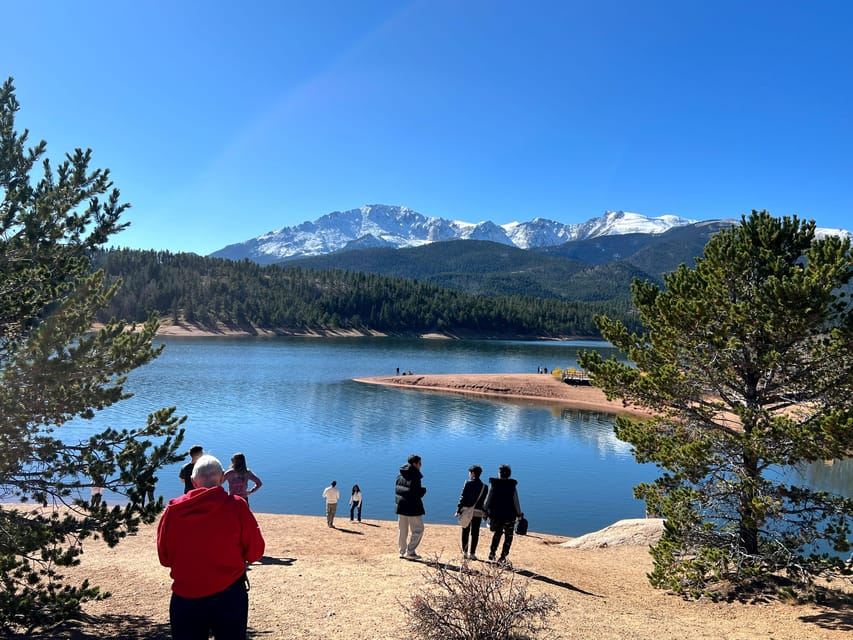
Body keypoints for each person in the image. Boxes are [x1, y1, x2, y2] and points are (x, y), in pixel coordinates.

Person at [157, 454, 265, 640]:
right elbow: (255, 553)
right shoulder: (238, 507)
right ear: (222, 478)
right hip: (229, 597)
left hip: (186, 597)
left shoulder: (173, 511)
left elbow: (164, 558)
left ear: (193, 481)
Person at [484, 464, 522, 565]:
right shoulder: (512, 485)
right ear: (509, 474)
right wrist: (519, 514)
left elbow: (488, 499)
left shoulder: (494, 484)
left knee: (497, 533)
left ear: (499, 473)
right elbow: (516, 501)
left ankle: (492, 553)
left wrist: (485, 511)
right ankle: (503, 557)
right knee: (508, 536)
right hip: (510, 515)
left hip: (496, 515)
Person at [396, 454, 426, 559]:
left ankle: (402, 552)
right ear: (414, 464)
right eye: (420, 463)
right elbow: (415, 493)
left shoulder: (400, 474)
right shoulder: (415, 476)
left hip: (401, 506)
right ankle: (411, 552)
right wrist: (423, 491)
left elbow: (398, 490)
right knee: (419, 529)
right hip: (412, 507)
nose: (421, 465)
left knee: (402, 530)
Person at [455, 464, 487, 560]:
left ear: (473, 473)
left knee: (465, 531)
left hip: (466, 511)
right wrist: (485, 513)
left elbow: (462, 497)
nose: (469, 474)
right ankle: (472, 554)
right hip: (478, 513)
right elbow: (484, 501)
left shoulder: (467, 483)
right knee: (475, 533)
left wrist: (458, 510)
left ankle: (465, 552)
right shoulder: (485, 487)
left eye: (469, 472)